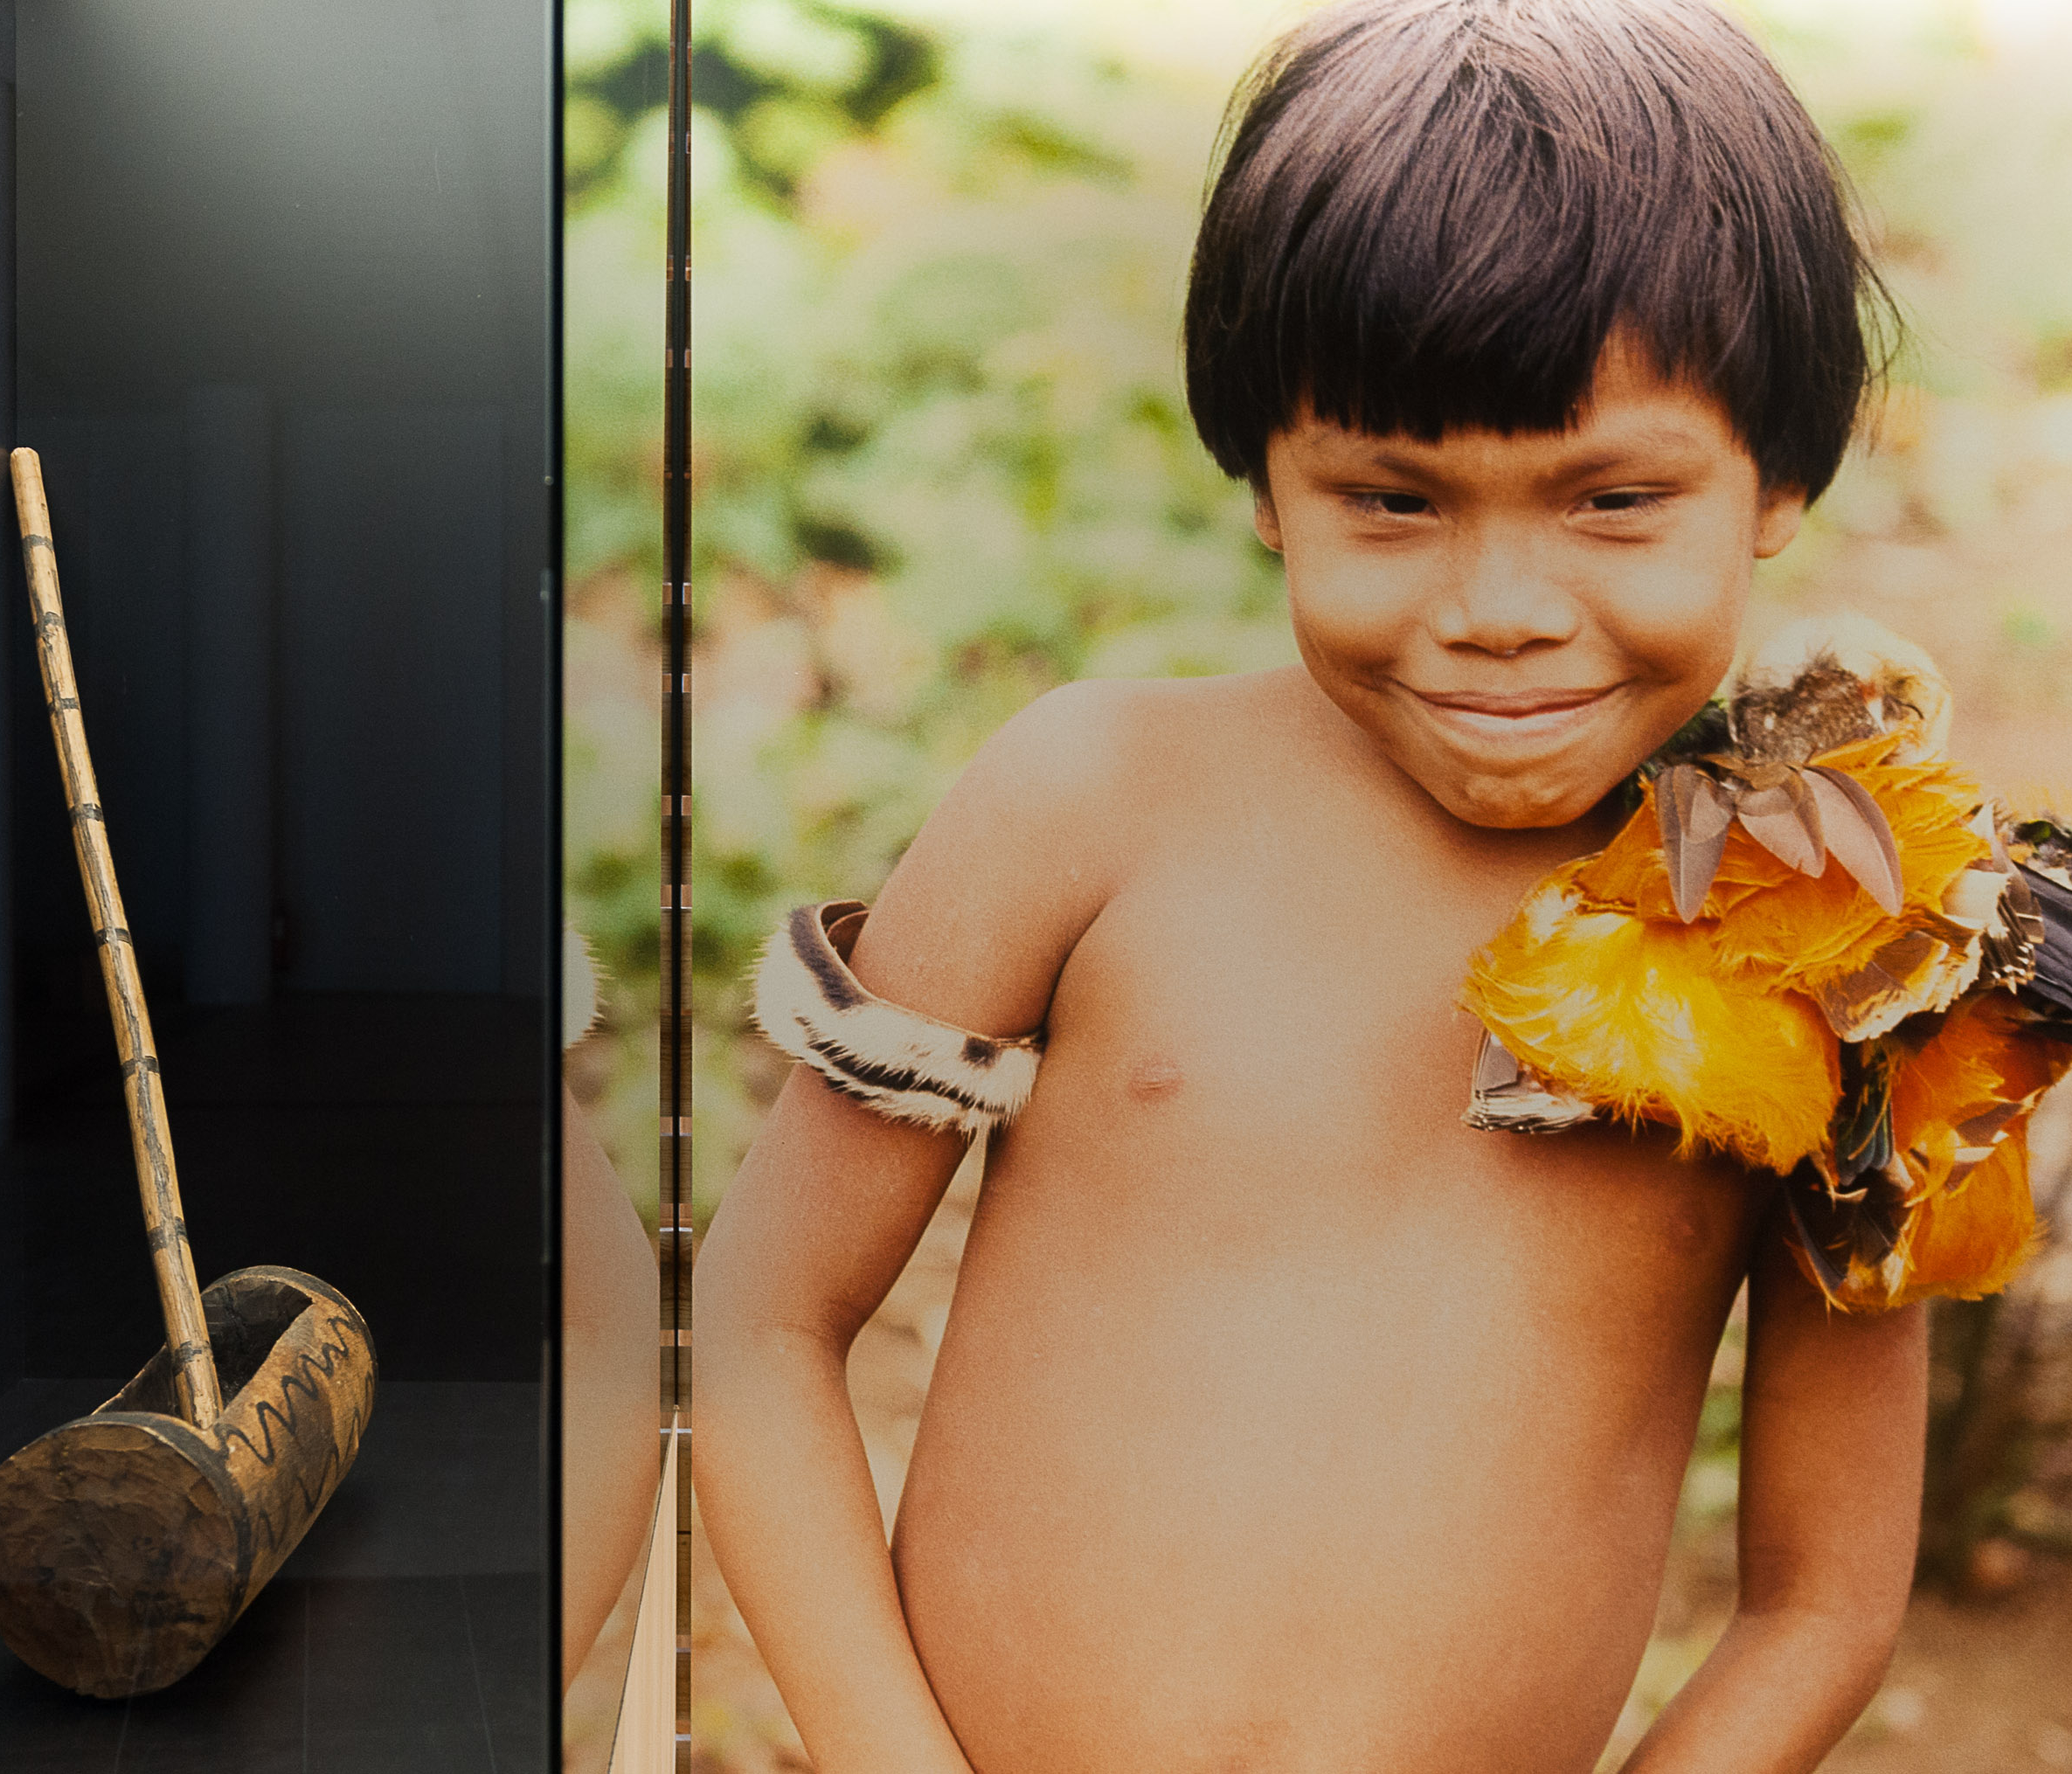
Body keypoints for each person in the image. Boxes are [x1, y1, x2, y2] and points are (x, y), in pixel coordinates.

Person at [696, 3, 1934, 1769]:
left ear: (1779, 478)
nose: (1500, 601)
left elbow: (1825, 1600)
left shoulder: (1838, 939)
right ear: (1268, 482)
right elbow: (762, 1327)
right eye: (1392, 500)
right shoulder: (1093, 801)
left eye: (1611, 501)